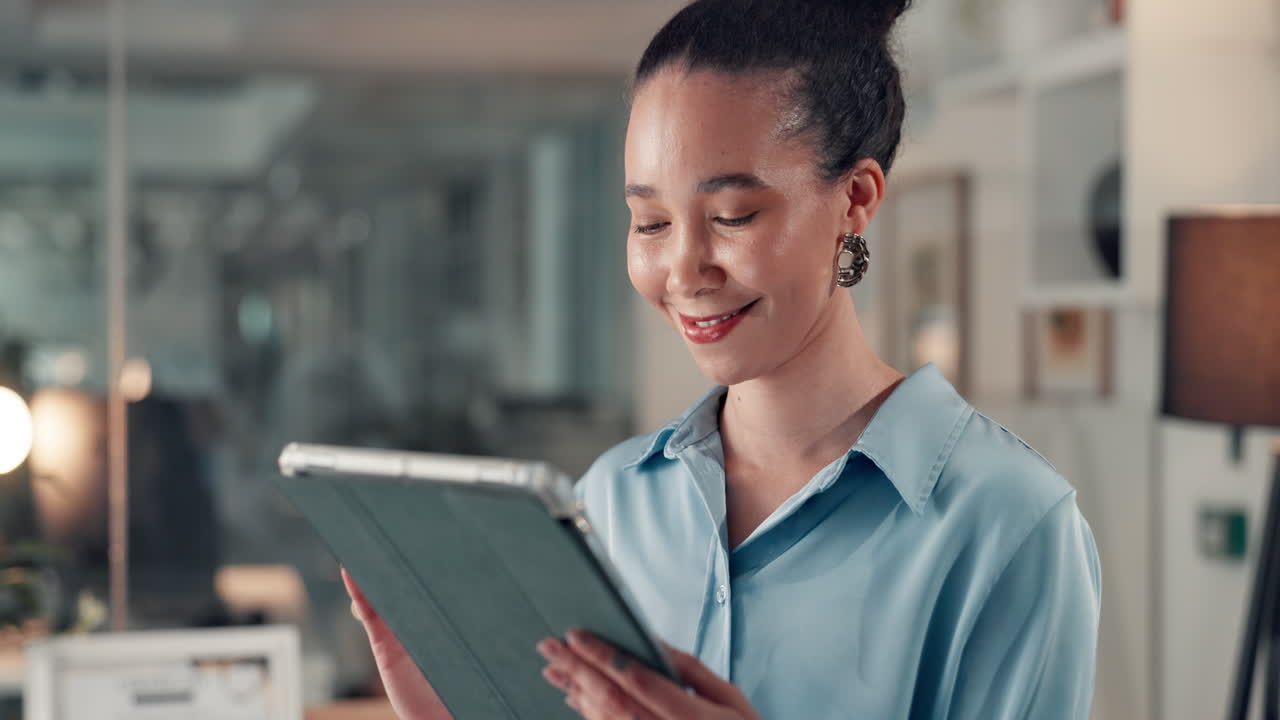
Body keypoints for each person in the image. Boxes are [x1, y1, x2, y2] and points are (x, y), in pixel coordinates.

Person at [344, 0, 1102, 717]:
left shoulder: (1009, 525)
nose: (683, 269)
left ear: (857, 198)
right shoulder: (610, 503)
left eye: (732, 215)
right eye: (650, 222)